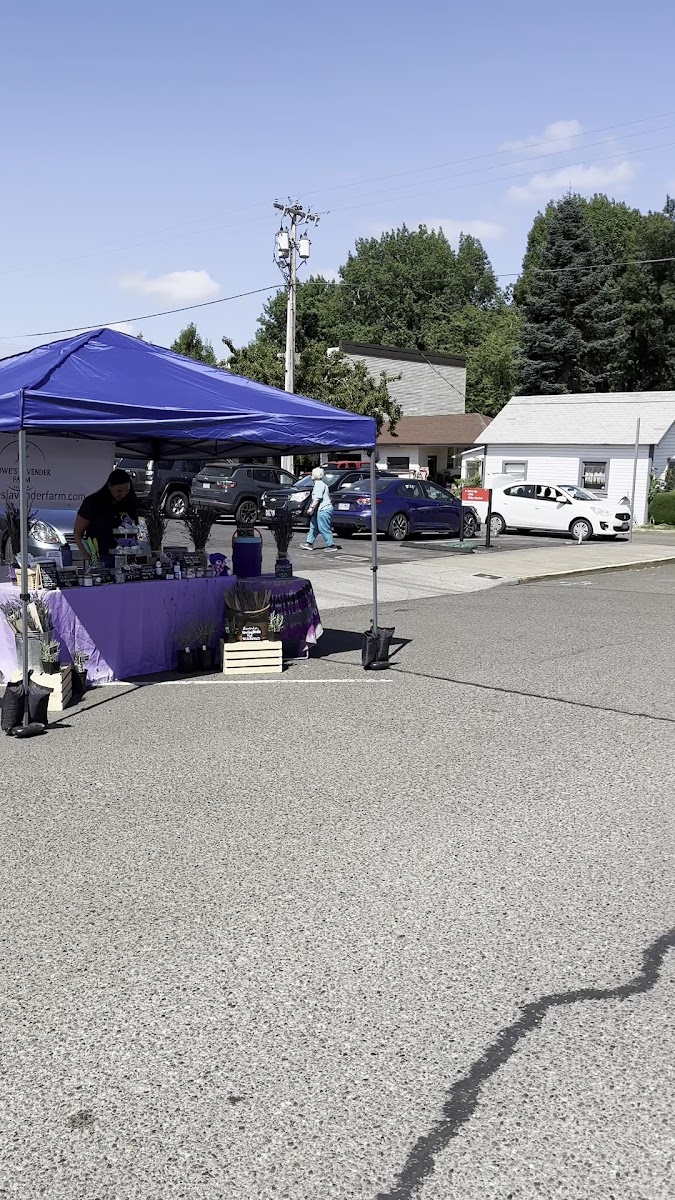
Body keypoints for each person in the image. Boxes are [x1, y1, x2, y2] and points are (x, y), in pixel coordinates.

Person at [74, 468, 139, 563]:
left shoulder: (130, 501)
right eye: (119, 491)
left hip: (124, 556)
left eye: (126, 491)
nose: (123, 494)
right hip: (100, 555)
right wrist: (86, 555)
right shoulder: (92, 502)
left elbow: (134, 530)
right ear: (109, 486)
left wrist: (134, 551)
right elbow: (78, 532)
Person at [302, 467, 337, 553]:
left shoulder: (318, 484)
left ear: (315, 475)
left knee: (323, 527)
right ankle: (309, 543)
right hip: (320, 509)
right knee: (314, 526)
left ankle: (331, 545)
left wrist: (310, 509)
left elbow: (317, 498)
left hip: (323, 509)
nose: (311, 476)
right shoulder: (322, 484)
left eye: (312, 474)